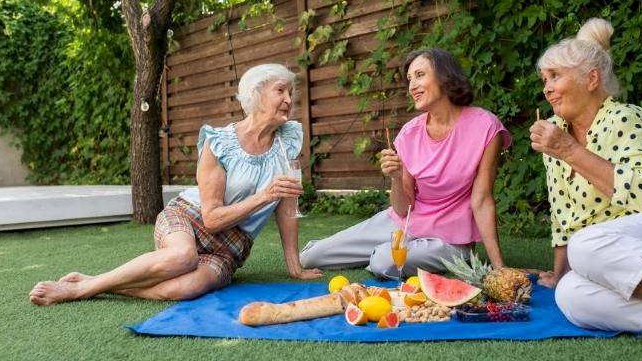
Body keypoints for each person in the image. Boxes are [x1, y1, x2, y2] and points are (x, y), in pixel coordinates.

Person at [29, 64, 323, 305]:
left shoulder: (288, 141)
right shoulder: (219, 143)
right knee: (183, 257)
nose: (288, 99)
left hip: (231, 246)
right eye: (280, 91)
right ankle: (79, 290)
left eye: (291, 92)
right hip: (190, 218)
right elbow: (211, 218)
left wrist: (294, 267)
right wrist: (264, 196)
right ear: (257, 95)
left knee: (184, 289)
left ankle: (94, 283)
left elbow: (287, 207)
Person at [300, 48, 512, 279]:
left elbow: (481, 201)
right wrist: (395, 177)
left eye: (420, 75)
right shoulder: (409, 134)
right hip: (405, 223)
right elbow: (403, 209)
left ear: (445, 76)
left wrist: (499, 267)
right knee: (311, 257)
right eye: (409, 79)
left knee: (384, 260)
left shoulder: (486, 127)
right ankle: (378, 251)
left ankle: (382, 254)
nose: (412, 86)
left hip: (450, 239)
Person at [530, 17, 642, 332]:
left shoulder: (625, 118)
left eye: (555, 76)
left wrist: (569, 151)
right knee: (572, 294)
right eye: (544, 79)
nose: (547, 89)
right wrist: (559, 276)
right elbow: (563, 218)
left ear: (591, 79)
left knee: (585, 245)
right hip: (628, 253)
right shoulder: (557, 133)